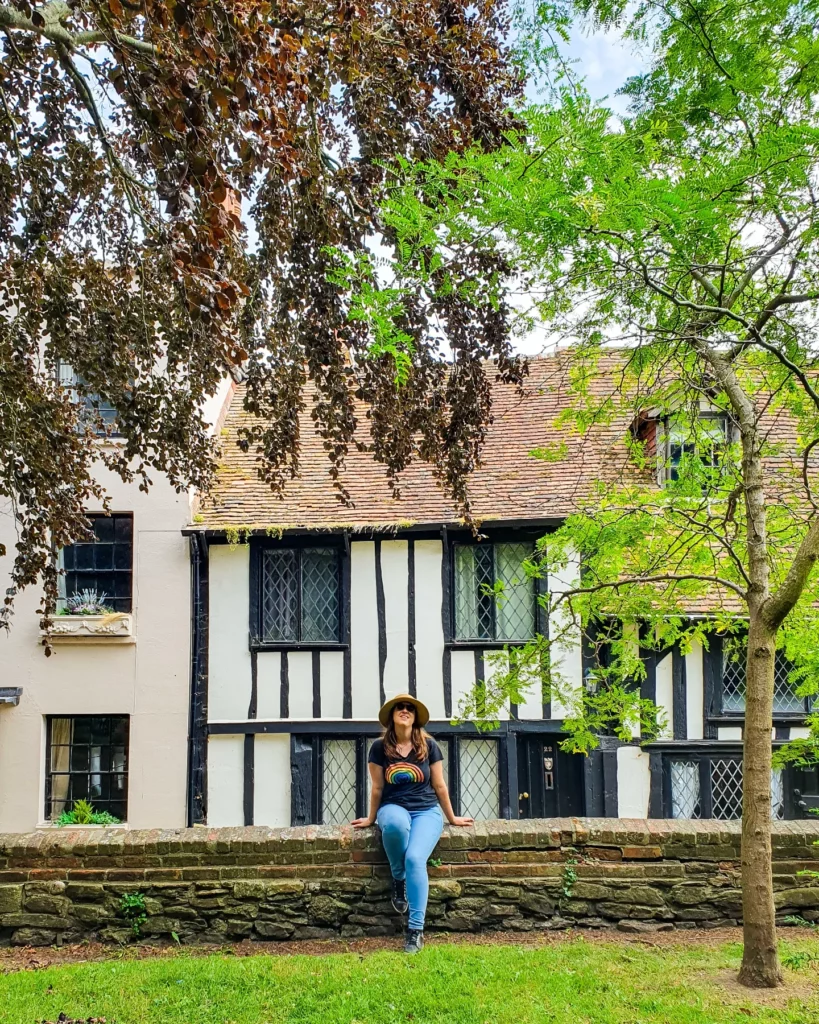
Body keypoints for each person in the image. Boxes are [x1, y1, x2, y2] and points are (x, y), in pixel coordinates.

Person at [351, 693, 473, 953]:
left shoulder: (429, 746)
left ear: (415, 717)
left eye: (410, 708)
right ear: (392, 716)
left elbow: (439, 785)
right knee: (395, 825)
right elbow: (377, 788)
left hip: (426, 811)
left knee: (416, 859)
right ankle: (398, 878)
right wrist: (371, 819)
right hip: (392, 807)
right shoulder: (379, 747)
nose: (405, 710)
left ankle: (415, 931)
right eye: (400, 708)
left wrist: (452, 818)